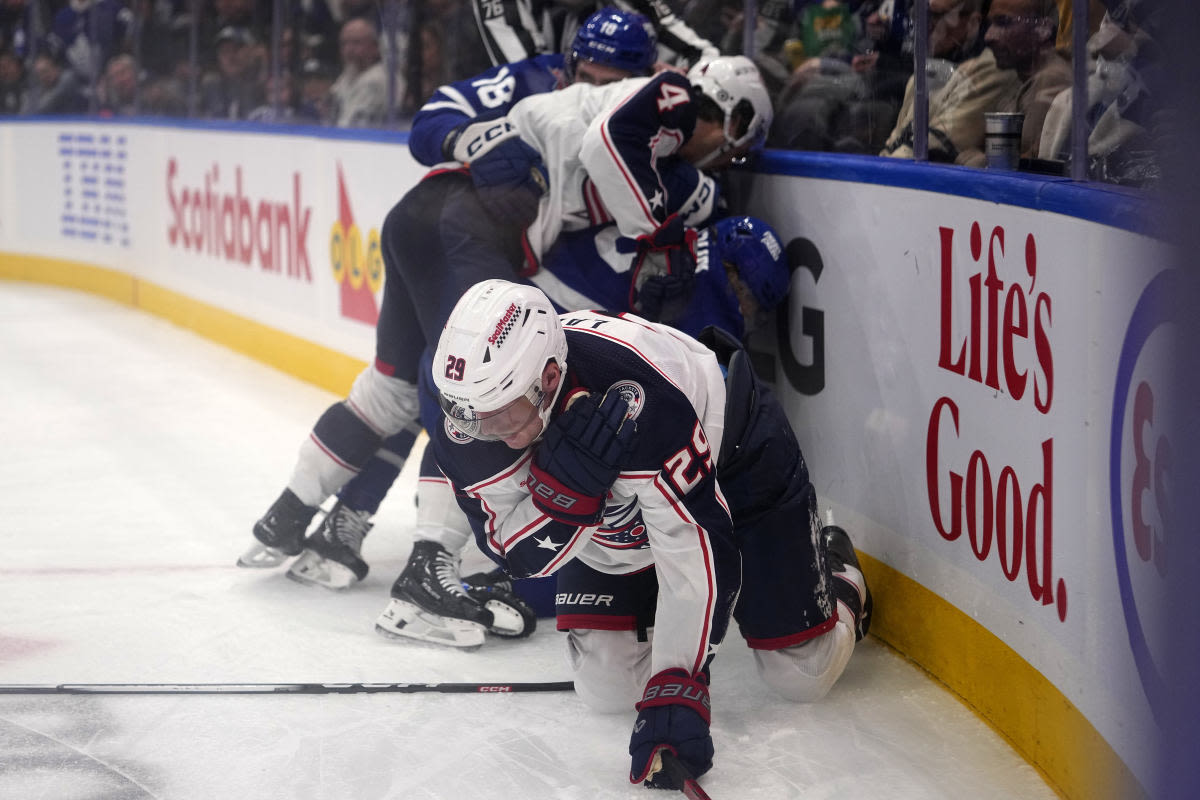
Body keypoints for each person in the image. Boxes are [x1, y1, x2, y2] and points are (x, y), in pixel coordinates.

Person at [239, 55, 775, 647]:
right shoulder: (649, 114)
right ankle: (426, 569)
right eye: (591, 74)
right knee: (465, 394)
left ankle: (297, 514)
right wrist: (657, 231)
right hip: (464, 226)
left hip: (423, 214)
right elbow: (592, 143)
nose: (597, 86)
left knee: (393, 391)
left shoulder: (654, 164)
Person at [427, 278, 873, 790]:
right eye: (470, 414)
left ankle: (837, 572)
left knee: (801, 675)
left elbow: (697, 542)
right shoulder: (464, 424)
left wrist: (679, 681)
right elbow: (516, 555)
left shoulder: (639, 401)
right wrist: (564, 499)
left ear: (549, 379)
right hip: (625, 517)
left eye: (503, 411)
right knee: (607, 688)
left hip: (735, 458)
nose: (488, 431)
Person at [880, 0, 1023, 163]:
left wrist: (878, 176)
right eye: (920, 15)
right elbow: (892, 146)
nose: (925, 25)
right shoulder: (925, 74)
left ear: (972, 23)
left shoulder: (993, 70)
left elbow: (936, 147)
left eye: (935, 15)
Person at [327, 17, 390, 127]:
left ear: (375, 47)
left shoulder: (376, 79)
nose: (349, 49)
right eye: (344, 43)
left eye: (356, 43)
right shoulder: (349, 74)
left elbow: (349, 125)